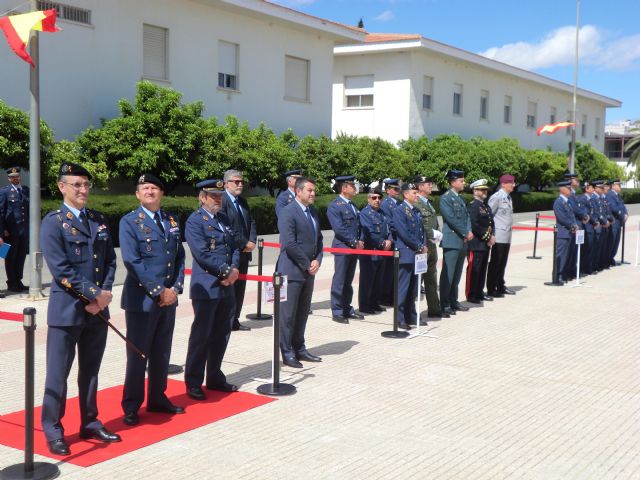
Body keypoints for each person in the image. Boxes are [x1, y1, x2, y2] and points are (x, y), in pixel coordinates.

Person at [40, 162, 119, 456]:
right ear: (62, 187)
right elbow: (61, 269)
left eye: (86, 185)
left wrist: (104, 294)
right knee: (58, 373)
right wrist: (95, 295)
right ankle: (53, 428)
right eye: (77, 185)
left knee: (91, 371)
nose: (83, 190)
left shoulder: (98, 220)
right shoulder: (52, 222)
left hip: (97, 310)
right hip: (68, 311)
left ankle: (90, 420)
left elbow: (110, 260)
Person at [120, 173, 186, 426]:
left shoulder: (171, 220)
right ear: (137, 194)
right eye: (145, 188)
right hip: (142, 301)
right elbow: (132, 261)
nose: (150, 191)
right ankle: (131, 405)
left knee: (161, 352)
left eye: (154, 188)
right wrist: (160, 290)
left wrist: (175, 289)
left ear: (161, 193)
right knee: (138, 355)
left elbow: (179, 256)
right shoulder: (129, 222)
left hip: (168, 299)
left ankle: (157, 398)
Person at [184, 179, 241, 400]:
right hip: (207, 287)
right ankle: (193, 381)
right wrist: (226, 272)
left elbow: (234, 246)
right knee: (202, 336)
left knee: (221, 334)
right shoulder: (195, 221)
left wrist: (234, 269)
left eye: (219, 196)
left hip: (227, 287)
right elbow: (201, 254)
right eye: (213, 196)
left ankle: (215, 376)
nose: (217, 200)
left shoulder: (223, 219)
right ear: (202, 197)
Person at [277, 176, 323, 368]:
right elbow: (289, 243)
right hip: (292, 270)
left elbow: (318, 240)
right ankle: (287, 352)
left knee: (303, 313)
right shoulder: (288, 212)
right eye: (309, 190)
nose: (313, 194)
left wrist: (317, 260)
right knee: (287, 315)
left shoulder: (312, 212)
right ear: (298, 191)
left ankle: (300, 348)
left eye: (314, 190)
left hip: (307, 271)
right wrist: (307, 263)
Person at [221, 169, 256, 331]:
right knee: (229, 289)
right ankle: (225, 321)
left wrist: (252, 241)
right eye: (236, 182)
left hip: (244, 253)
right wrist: (244, 243)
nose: (240, 184)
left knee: (240, 288)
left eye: (242, 182)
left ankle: (234, 319)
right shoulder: (222, 201)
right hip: (231, 253)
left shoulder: (242, 201)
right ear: (227, 184)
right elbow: (227, 227)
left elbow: (251, 222)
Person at [327, 175, 363, 324]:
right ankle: (337, 311)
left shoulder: (352, 206)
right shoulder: (335, 206)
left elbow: (359, 226)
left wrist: (360, 240)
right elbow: (339, 229)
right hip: (343, 248)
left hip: (354, 248)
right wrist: (354, 242)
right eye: (352, 185)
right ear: (344, 188)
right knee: (340, 280)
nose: (355, 188)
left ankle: (347, 308)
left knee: (348, 281)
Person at [393, 182, 427, 328]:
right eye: (414, 192)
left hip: (417, 254)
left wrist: (424, 244)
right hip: (407, 253)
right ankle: (400, 318)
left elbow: (422, 231)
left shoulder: (416, 210)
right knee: (403, 288)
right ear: (406, 194)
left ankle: (411, 315)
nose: (417, 195)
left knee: (413, 288)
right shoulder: (400, 210)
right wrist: (419, 246)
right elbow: (403, 233)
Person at [439, 170, 472, 316]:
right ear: (453, 182)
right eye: (461, 180)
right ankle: (444, 304)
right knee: (449, 274)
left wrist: (469, 231)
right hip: (452, 241)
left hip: (462, 241)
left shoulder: (459, 198)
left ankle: (453, 300)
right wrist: (465, 232)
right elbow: (451, 219)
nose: (463, 183)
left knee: (457, 274)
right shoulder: (446, 198)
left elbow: (467, 217)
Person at [413, 176, 446, 318]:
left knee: (431, 279)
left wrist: (436, 234)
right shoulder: (416, 203)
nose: (430, 186)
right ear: (420, 187)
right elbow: (419, 224)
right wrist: (432, 233)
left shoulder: (428, 203)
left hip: (431, 246)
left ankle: (434, 309)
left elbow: (432, 221)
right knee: (416, 282)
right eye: (428, 184)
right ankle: (410, 313)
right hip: (422, 246)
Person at [358, 187, 391, 314]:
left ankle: (375, 303)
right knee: (368, 280)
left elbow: (388, 230)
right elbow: (370, 233)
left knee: (378, 279)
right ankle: (365, 305)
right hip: (370, 252)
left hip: (381, 252)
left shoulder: (382, 213)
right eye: (374, 198)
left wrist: (389, 240)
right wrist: (383, 243)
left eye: (379, 198)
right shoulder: (365, 213)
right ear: (368, 199)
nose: (377, 200)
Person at [465, 179, 496, 304]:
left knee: (483, 269)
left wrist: (492, 236)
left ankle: (479, 292)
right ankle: (471, 294)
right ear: (475, 191)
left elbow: (490, 223)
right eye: (482, 190)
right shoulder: (473, 206)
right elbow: (475, 225)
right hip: (476, 243)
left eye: (485, 189)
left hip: (485, 243)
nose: (485, 192)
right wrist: (488, 237)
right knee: (474, 269)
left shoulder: (485, 205)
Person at [486, 174, 516, 297]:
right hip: (498, 235)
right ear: (503, 184)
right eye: (511, 182)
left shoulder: (508, 198)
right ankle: (491, 288)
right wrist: (491, 234)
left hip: (507, 235)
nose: (514, 185)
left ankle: (500, 285)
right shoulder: (496, 197)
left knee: (503, 262)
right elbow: (489, 217)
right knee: (495, 263)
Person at [0, 166, 29, 292]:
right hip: (10, 231)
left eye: (16, 176)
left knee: (21, 256)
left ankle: (18, 280)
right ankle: (11, 282)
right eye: (12, 177)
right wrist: (2, 231)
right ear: (9, 179)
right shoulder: (4, 192)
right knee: (10, 257)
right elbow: (1, 212)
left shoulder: (25, 190)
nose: (15, 178)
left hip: (23, 231)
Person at [378, 179, 401, 306]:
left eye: (398, 189)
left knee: (395, 271)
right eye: (395, 189)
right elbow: (390, 222)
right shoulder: (386, 204)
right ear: (387, 190)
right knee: (388, 271)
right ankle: (385, 297)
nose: (398, 191)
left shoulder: (398, 203)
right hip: (393, 239)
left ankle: (392, 296)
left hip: (399, 240)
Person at [564, 172, 589, 279]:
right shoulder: (569, 194)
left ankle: (572, 271)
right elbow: (574, 208)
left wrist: (585, 215)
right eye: (575, 179)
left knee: (575, 251)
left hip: (579, 224)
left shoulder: (574, 194)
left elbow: (581, 207)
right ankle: (567, 273)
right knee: (570, 251)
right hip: (574, 225)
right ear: (569, 181)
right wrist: (584, 215)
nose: (577, 181)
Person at [553, 180, 578, 283]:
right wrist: (572, 225)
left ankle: (563, 274)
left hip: (569, 233)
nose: (570, 190)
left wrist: (575, 225)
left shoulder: (567, 202)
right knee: (561, 256)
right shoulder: (559, 202)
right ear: (562, 189)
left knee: (567, 256)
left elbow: (571, 216)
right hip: (563, 233)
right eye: (568, 188)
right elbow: (562, 218)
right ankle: (557, 275)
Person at [606, 179, 628, 266]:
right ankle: (608, 259)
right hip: (614, 221)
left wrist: (626, 213)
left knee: (616, 242)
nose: (620, 186)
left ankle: (611, 258)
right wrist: (623, 216)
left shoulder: (617, 195)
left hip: (619, 222)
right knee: (612, 241)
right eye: (618, 185)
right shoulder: (610, 195)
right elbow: (614, 208)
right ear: (613, 186)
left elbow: (622, 206)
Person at [580, 181, 599, 275]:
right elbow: (587, 213)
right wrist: (594, 222)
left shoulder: (590, 199)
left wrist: (596, 221)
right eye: (591, 187)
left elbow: (594, 212)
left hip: (592, 226)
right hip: (587, 227)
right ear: (586, 188)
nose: (593, 189)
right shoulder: (583, 199)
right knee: (587, 249)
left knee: (591, 248)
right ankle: (586, 268)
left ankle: (589, 268)